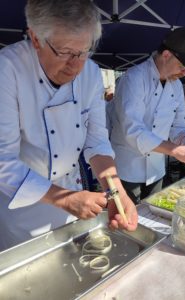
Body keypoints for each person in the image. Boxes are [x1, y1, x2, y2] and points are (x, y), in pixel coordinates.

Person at [0, 0, 137, 251]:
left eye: (84, 51)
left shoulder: (92, 73)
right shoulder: (7, 70)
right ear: (35, 37)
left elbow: (96, 141)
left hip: (73, 197)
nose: (75, 65)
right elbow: (2, 161)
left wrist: (117, 191)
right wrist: (66, 200)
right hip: (22, 211)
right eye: (64, 52)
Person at [110, 27, 185, 205]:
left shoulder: (176, 87)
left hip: (157, 168)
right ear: (166, 55)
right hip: (127, 168)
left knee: (152, 214)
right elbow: (133, 130)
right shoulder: (134, 78)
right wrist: (174, 150)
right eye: (182, 66)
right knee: (125, 223)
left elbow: (177, 126)